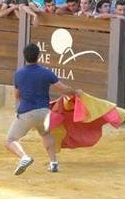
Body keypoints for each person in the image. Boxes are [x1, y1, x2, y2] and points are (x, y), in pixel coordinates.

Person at [5, 43, 81, 175]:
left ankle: (24, 157)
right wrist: (75, 92)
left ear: (25, 57)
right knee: (46, 134)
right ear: (38, 56)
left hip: (26, 112)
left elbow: (17, 96)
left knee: (10, 140)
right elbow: (63, 88)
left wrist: (18, 110)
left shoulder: (19, 74)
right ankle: (53, 163)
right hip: (44, 113)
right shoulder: (46, 73)